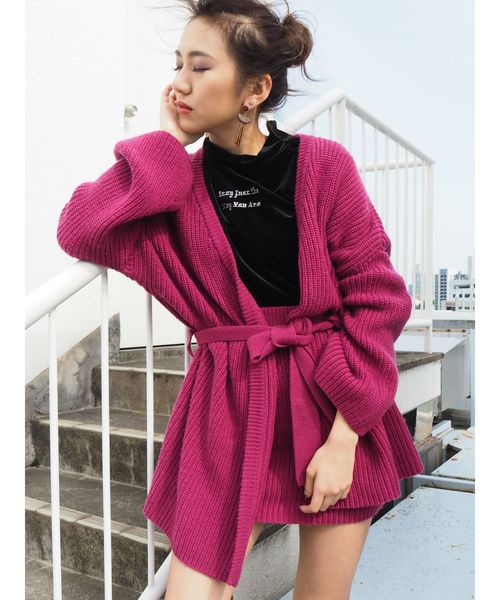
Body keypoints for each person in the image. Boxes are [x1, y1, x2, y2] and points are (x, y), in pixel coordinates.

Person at [56, 1, 425, 599]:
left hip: (330, 395)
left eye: (200, 67)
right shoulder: (177, 184)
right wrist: (165, 143)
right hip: (228, 401)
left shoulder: (324, 167)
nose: (179, 84)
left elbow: (377, 300)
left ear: (254, 89)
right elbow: (81, 228)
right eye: (178, 65)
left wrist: (345, 437)